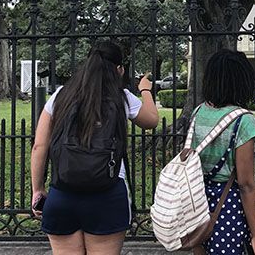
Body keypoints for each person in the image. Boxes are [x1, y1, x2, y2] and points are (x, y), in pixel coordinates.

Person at [30, 41, 159, 255]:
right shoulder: (122, 97)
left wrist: (38, 189)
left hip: (63, 193)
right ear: (119, 70)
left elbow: (39, 146)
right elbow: (152, 121)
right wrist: (145, 90)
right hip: (108, 194)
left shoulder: (61, 95)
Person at [191, 49, 255, 255]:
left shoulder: (198, 113)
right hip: (227, 207)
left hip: (197, 203)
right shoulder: (243, 120)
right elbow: (246, 184)